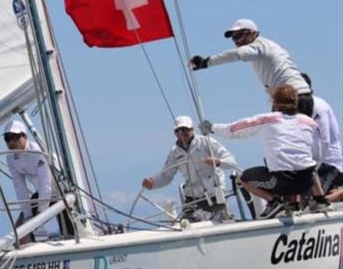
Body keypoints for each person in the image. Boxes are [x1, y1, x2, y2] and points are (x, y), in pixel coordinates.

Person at [201, 85, 320, 219]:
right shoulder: (310, 122)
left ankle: (274, 201)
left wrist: (211, 127)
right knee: (302, 164)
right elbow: (317, 155)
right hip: (307, 182)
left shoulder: (267, 120)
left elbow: (233, 130)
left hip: (283, 182)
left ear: (275, 102)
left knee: (244, 179)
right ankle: (313, 202)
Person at [190, 19, 314, 116]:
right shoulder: (269, 45)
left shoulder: (258, 46)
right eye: (234, 38)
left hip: (292, 99)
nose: (237, 41)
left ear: (253, 33)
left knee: (284, 142)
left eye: (239, 35)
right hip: (298, 97)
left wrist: (206, 62)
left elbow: (236, 54)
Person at [142, 115, 237, 220]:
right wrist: (153, 183)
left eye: (185, 129)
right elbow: (166, 176)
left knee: (219, 221)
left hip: (215, 194)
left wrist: (218, 162)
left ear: (192, 129)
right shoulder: (174, 152)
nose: (181, 133)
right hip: (192, 197)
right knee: (186, 224)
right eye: (178, 130)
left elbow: (231, 161)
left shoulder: (206, 142)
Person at [3, 120, 57, 242]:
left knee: (70, 230)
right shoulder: (10, 158)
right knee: (20, 231)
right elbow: (19, 187)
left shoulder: (36, 151)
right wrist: (27, 215)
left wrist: (40, 213)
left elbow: (46, 184)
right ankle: (41, 245)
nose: (11, 142)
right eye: (7, 138)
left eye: (15, 137)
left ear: (24, 136)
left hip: (60, 191)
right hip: (41, 193)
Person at [301, 73, 342, 195]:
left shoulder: (318, 106)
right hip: (311, 164)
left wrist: (314, 168)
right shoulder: (300, 107)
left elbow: (325, 141)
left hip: (329, 164)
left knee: (312, 198)